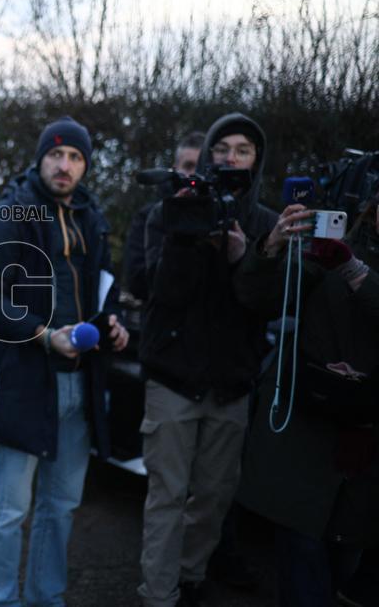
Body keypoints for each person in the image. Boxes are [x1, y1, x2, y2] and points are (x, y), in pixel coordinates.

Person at [0, 116, 129, 606]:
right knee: (10, 508)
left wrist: (114, 321)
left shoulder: (91, 218)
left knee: (61, 506)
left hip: (80, 383)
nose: (65, 165)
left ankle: (46, 598)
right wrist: (44, 335)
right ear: (41, 159)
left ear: (84, 166)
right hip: (25, 382)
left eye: (76, 157)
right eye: (57, 155)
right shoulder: (12, 213)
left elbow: (105, 285)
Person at [136, 113, 279, 607]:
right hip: (174, 377)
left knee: (215, 497)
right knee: (167, 498)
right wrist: (186, 232)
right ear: (209, 154)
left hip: (232, 382)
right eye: (224, 149)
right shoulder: (170, 212)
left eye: (244, 150)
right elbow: (159, 292)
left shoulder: (267, 224)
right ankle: (157, 596)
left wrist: (246, 258)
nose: (232, 158)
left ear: (256, 160)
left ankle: (191, 579)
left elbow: (267, 305)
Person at [233, 187, 379, 606]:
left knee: (345, 567)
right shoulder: (333, 249)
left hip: (366, 460)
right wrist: (272, 247)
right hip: (306, 444)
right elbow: (257, 298)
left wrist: (354, 271)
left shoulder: (347, 260)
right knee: (303, 571)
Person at [121, 131, 204, 305]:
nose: (194, 175)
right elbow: (137, 281)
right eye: (188, 166)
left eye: (201, 166)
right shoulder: (149, 216)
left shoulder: (226, 216)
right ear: (175, 169)